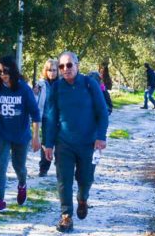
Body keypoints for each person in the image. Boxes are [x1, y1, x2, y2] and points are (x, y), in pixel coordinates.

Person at [42, 51, 109, 232]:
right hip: (64, 143)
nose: (65, 69)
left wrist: (101, 136)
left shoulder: (90, 84)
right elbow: (50, 117)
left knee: (85, 179)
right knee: (64, 180)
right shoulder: (56, 88)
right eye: (62, 66)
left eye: (69, 65)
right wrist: (48, 143)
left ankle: (82, 198)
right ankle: (66, 216)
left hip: (89, 144)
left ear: (77, 65)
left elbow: (102, 112)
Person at [0, 55, 41, 212]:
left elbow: (35, 114)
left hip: (20, 134)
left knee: (19, 167)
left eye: (5, 71)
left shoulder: (24, 89)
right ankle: (0, 199)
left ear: (12, 70)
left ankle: (22, 184)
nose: (2, 74)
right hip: (1, 133)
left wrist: (36, 137)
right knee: (1, 166)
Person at [34, 60, 59, 177]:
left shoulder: (62, 83)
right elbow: (35, 99)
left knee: (60, 143)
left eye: (54, 70)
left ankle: (61, 166)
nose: (52, 73)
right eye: (50, 70)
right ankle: (43, 168)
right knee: (46, 143)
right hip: (46, 117)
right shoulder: (41, 84)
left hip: (60, 118)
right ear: (45, 71)